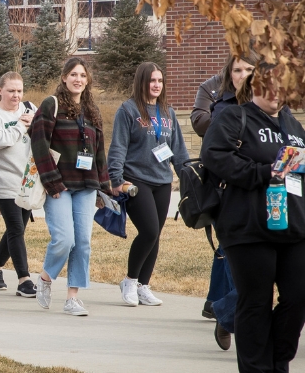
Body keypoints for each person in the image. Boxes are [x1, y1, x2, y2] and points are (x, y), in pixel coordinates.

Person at [202, 65, 305, 371]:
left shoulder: (292, 125)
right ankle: (257, 368)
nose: (276, 94)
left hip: (294, 227)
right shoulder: (235, 117)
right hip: (249, 228)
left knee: (298, 297)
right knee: (256, 303)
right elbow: (215, 156)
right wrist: (264, 173)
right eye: (269, 86)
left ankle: (277, 358)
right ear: (255, 87)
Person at [31, 57, 110, 317]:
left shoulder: (92, 110)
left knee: (83, 242)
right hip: (60, 185)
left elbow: (99, 151)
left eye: (83, 76)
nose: (78, 79)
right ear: (64, 77)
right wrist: (51, 181)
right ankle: (45, 278)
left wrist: (103, 185)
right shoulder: (51, 105)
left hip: (86, 185)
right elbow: (39, 143)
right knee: (65, 239)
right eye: (73, 74)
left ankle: (72, 298)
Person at [107, 62, 189, 307]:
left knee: (156, 235)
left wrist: (188, 176)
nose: (156, 85)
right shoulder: (128, 110)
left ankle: (144, 286)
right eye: (152, 80)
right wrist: (116, 178)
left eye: (160, 81)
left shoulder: (168, 112)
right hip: (136, 180)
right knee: (149, 231)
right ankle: (130, 281)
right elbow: (118, 146)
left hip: (162, 181)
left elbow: (178, 150)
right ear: (142, 82)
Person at [191, 53, 256, 333]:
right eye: (238, 70)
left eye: (249, 69)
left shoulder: (273, 108)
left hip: (265, 196)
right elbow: (212, 149)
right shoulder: (222, 106)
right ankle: (232, 313)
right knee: (235, 252)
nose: (244, 75)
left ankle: (221, 306)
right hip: (226, 193)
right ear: (229, 74)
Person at [0, 71, 37, 296]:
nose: (16, 96)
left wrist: (35, 124)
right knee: (16, 227)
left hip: (27, 179)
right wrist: (21, 125)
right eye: (11, 91)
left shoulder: (30, 108)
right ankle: (24, 279)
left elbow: (44, 135)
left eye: (19, 91)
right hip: (3, 178)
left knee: (17, 229)